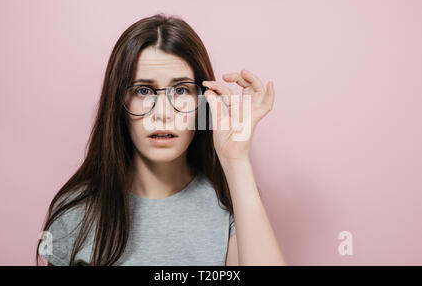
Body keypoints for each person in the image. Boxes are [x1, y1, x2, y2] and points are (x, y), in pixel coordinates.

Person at [36, 13, 286, 266]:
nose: (163, 113)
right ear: (119, 103)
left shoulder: (228, 207)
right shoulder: (75, 211)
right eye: (143, 91)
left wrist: (236, 161)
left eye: (180, 90)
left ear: (203, 101)